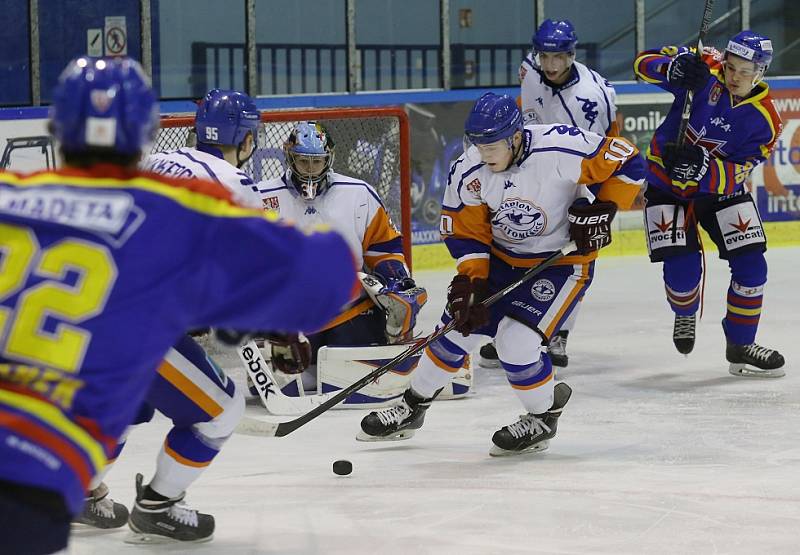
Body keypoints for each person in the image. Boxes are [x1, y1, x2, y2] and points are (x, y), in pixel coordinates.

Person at [0, 56, 356, 555]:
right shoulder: (196, 198)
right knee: (220, 407)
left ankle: (85, 487)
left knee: (117, 407)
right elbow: (321, 275)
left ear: (59, 128)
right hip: (103, 362)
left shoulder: (10, 193)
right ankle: (159, 506)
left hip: (38, 372)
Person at [356, 92, 644, 455]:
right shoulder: (469, 169)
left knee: (515, 343)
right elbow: (466, 231)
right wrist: (472, 282)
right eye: (478, 145)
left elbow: (630, 161)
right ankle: (413, 405)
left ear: (516, 136)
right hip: (500, 260)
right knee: (455, 331)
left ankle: (543, 416)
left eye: (492, 146)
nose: (484, 154)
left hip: (561, 264)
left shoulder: (560, 147)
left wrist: (604, 207)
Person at [72, 88, 270, 542]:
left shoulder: (155, 161)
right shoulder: (237, 185)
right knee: (221, 410)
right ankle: (159, 506)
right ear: (242, 137)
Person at [634, 30, 785, 378]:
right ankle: (685, 312)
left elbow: (740, 172)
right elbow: (642, 63)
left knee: (752, 267)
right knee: (682, 278)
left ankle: (741, 344)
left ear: (760, 72)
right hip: (666, 187)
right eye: (731, 67)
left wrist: (703, 166)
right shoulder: (704, 67)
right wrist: (672, 69)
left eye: (745, 72)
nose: (734, 76)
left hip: (720, 194)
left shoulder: (767, 121)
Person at [478, 18, 619, 370]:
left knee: (575, 254)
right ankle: (511, 327)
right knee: (516, 243)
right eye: (545, 56)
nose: (551, 65)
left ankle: (558, 332)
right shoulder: (529, 68)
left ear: (572, 54)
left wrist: (600, 204)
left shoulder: (591, 99)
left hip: (575, 179)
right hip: (529, 168)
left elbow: (603, 153)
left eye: (559, 57)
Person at [255, 121, 426, 391]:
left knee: (358, 377)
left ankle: (392, 339)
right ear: (290, 159)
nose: (311, 170)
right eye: (303, 162)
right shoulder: (261, 199)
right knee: (280, 383)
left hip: (350, 309)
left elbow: (385, 249)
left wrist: (396, 282)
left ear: (329, 160)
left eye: (317, 162)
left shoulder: (358, 194)